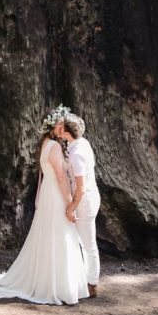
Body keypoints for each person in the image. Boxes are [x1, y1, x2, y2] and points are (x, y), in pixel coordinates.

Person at [0, 106, 90, 305]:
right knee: (59, 235)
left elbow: (44, 174)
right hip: (57, 194)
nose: (63, 127)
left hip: (50, 193)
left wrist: (40, 195)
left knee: (54, 235)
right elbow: (60, 177)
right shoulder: (56, 147)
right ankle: (57, 285)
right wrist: (70, 204)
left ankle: (59, 282)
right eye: (60, 124)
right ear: (52, 127)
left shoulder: (46, 144)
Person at [57, 114, 100, 298]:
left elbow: (80, 188)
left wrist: (71, 207)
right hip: (86, 197)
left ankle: (92, 284)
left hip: (85, 201)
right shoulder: (81, 143)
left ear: (67, 132)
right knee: (82, 242)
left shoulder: (77, 154)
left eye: (62, 126)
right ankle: (82, 278)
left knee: (88, 244)